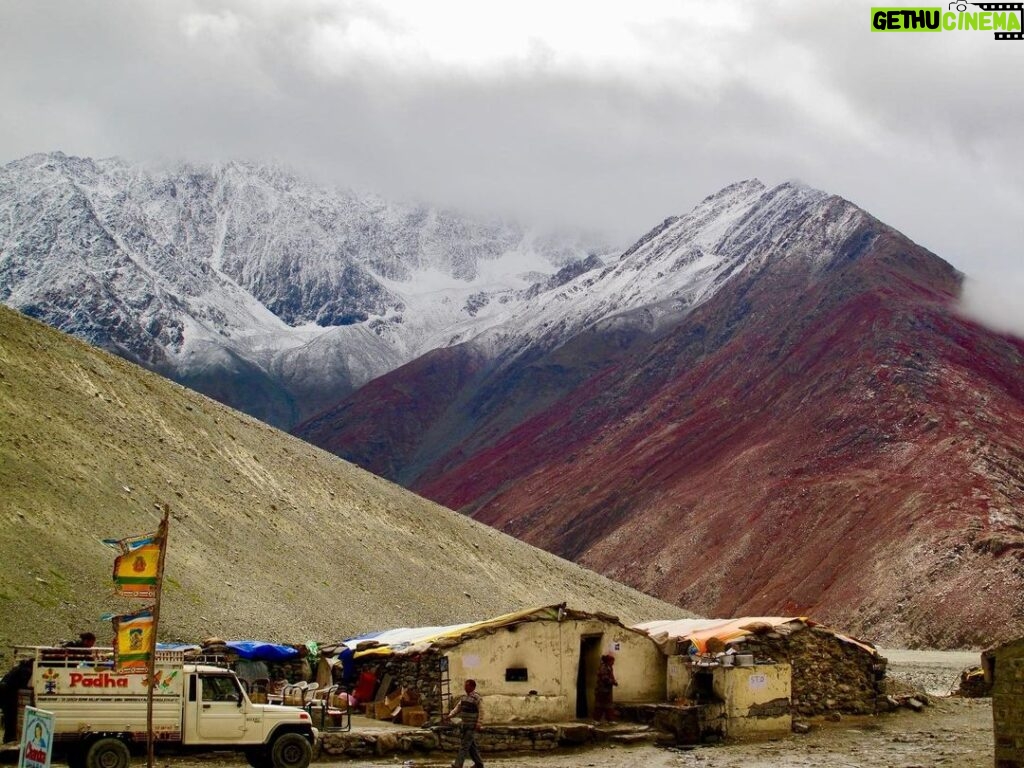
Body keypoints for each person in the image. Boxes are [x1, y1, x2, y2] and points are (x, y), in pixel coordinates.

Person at [446, 679, 484, 768]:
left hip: (471, 725)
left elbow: (481, 711)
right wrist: (450, 715)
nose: (465, 687)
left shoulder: (477, 698)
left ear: (472, 687)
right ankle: (479, 764)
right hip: (465, 725)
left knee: (464, 746)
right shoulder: (463, 698)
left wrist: (479, 723)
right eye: (465, 685)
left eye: (467, 685)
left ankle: (458, 765)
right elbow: (458, 708)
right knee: (471, 747)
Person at [594, 654, 618, 722]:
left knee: (608, 705)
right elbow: (604, 678)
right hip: (601, 690)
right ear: (608, 661)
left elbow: (610, 676)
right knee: (600, 705)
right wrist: (613, 682)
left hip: (607, 690)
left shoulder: (609, 667)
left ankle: (610, 720)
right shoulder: (603, 667)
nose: (613, 663)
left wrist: (614, 681)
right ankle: (596, 720)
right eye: (612, 661)